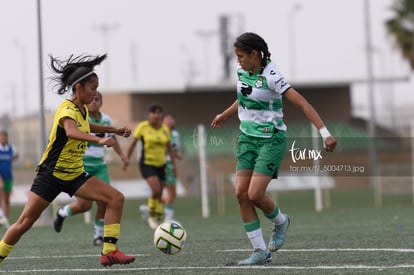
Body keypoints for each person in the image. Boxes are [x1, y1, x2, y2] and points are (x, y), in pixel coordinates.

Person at [211, 32, 337, 266]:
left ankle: (280, 222)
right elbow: (244, 97)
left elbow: (302, 102)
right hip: (247, 139)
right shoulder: (243, 71)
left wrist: (325, 133)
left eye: (241, 56)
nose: (237, 60)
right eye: (236, 56)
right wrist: (225, 115)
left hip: (271, 140)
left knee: (255, 195)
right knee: (241, 194)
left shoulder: (272, 75)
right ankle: (260, 251)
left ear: (255, 54)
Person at [0, 54, 135, 267]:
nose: (95, 93)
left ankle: (109, 251)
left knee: (116, 198)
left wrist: (114, 129)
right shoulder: (66, 108)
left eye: (97, 88)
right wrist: (98, 142)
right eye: (92, 88)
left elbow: (86, 126)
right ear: (78, 87)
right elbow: (72, 132)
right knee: (25, 223)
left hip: (75, 174)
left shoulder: (82, 110)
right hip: (51, 174)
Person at [53, 91, 129, 246]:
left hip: (100, 166)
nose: (94, 101)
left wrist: (122, 155)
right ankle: (62, 212)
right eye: (92, 98)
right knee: (84, 206)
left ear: (101, 102)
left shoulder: (106, 120)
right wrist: (97, 139)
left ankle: (99, 236)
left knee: (105, 201)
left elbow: (112, 138)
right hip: (83, 165)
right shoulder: (81, 117)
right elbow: (73, 133)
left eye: (97, 99)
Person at [125, 105, 177, 230]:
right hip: (147, 163)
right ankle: (151, 216)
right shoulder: (143, 127)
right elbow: (133, 143)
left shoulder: (165, 129)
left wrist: (174, 165)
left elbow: (169, 148)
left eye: (159, 112)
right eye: (154, 112)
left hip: (162, 164)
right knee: (156, 190)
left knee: (160, 193)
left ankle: (159, 217)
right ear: (149, 115)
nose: (157, 115)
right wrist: (126, 159)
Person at [139, 113, 183, 223]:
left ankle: (149, 209)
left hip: (170, 164)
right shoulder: (159, 133)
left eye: (171, 118)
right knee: (170, 193)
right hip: (162, 164)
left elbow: (174, 150)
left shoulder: (175, 134)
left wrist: (178, 155)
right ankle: (168, 218)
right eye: (167, 118)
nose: (169, 120)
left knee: (170, 193)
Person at [0, 131, 19, 228]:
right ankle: (1, 217)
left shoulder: (11, 149)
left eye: (4, 137)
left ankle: (5, 219)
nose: (3, 139)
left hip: (8, 176)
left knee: (6, 199)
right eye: (1, 137)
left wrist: (11, 160)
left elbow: (16, 155)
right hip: (0, 176)